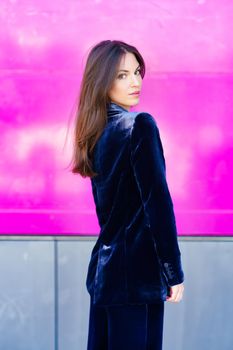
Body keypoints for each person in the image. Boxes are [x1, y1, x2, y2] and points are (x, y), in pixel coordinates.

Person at [71, 40, 185, 350]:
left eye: (137, 72)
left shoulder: (93, 133)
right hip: (136, 280)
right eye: (122, 75)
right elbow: (157, 204)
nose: (135, 82)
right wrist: (172, 271)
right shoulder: (139, 126)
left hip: (105, 278)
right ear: (102, 79)